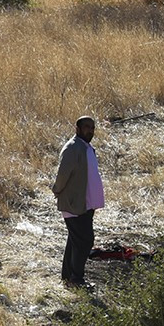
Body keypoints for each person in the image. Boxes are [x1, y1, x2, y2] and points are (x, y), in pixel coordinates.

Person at [53, 116, 105, 289]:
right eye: (86, 127)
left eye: (92, 127)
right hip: (74, 203)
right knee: (85, 240)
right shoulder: (73, 148)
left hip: (85, 204)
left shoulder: (86, 147)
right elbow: (63, 174)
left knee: (76, 240)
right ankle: (76, 279)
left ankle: (68, 277)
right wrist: (57, 190)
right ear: (77, 128)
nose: (90, 130)